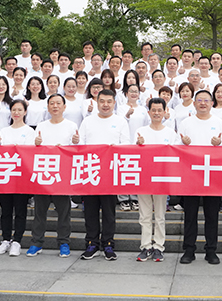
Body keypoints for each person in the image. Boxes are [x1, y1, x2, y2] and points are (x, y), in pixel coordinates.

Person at [178, 89, 222, 264]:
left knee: (212, 215)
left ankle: (211, 250)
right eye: (199, 100)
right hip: (191, 174)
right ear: (194, 103)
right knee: (190, 215)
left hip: (212, 175)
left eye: (206, 100)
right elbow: (176, 147)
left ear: (212, 103)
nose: (203, 103)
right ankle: (189, 250)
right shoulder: (186, 123)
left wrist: (219, 144)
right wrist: (183, 143)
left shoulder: (219, 122)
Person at [78, 89, 130, 260]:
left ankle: (108, 244)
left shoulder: (120, 121)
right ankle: (92, 243)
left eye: (109, 101)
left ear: (114, 103)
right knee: (90, 211)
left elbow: (126, 145)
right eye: (102, 101)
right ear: (97, 102)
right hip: (90, 172)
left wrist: (113, 150)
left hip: (110, 173)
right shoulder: (87, 121)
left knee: (109, 212)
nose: (105, 105)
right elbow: (81, 145)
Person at [27, 94, 78, 257]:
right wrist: (36, 144)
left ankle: (64, 243)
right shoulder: (41, 125)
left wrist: (74, 143)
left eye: (58, 103)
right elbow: (33, 150)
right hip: (43, 174)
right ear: (48, 107)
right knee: (39, 212)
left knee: (64, 212)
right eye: (52, 103)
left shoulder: (71, 126)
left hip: (62, 175)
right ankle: (36, 243)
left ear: (64, 107)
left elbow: (76, 151)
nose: (55, 106)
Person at [134, 97, 179, 262]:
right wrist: (138, 145)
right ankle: (145, 246)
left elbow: (176, 155)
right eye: (153, 110)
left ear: (165, 112)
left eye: (160, 110)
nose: (156, 113)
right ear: (149, 112)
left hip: (162, 179)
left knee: (160, 216)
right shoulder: (141, 131)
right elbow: (132, 155)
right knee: (144, 215)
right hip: (144, 178)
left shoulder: (170, 133)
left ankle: (159, 247)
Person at [0, 98, 35, 257]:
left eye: (19, 110)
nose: (16, 113)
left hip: (21, 177)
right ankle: (5, 239)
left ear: (25, 112)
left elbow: (28, 152)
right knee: (6, 211)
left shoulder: (30, 131)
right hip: (6, 175)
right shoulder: (4, 131)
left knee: (20, 210)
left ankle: (17, 241)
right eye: (14, 110)